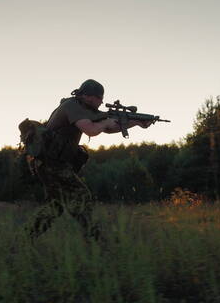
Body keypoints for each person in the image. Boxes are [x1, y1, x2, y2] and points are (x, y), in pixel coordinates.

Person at [26, 79, 152, 240]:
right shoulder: (72, 107)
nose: (101, 102)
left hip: (52, 163)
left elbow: (108, 128)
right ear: (89, 96)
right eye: (100, 98)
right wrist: (106, 121)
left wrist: (135, 122)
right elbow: (92, 130)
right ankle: (94, 237)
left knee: (56, 206)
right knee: (81, 195)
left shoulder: (82, 107)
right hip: (51, 163)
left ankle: (26, 238)